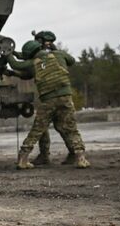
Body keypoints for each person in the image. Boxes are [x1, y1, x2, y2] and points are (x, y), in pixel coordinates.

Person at [7, 40, 90, 169]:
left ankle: (22, 160)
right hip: (65, 98)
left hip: (48, 101)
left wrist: (7, 53)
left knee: (37, 130)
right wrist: (54, 49)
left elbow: (16, 65)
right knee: (71, 128)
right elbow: (72, 61)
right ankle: (80, 159)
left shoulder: (33, 63)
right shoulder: (58, 54)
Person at [12, 30, 60, 165]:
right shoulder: (49, 54)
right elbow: (28, 70)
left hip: (51, 96)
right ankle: (48, 155)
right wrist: (14, 54)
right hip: (53, 95)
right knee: (62, 126)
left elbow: (25, 65)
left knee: (43, 127)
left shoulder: (46, 55)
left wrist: (10, 55)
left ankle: (28, 156)